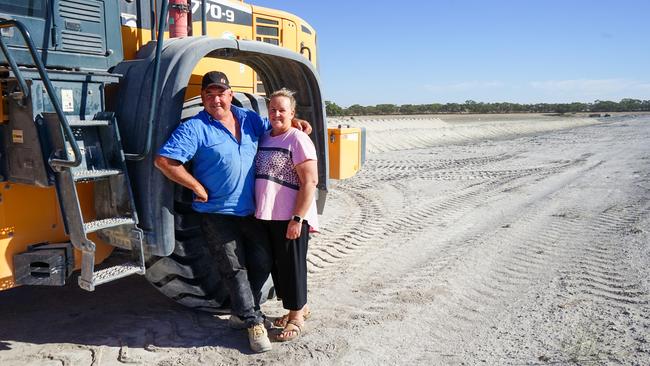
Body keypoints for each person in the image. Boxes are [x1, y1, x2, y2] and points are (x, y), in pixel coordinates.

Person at [154, 72, 309, 353]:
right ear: (202, 98)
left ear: (230, 94)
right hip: (216, 212)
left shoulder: (248, 118)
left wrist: (292, 121)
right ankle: (253, 322)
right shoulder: (195, 127)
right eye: (209, 95)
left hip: (250, 209)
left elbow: (272, 126)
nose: (216, 99)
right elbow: (164, 160)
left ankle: (241, 312)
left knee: (262, 261)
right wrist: (196, 186)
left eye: (221, 93)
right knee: (234, 267)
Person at [254, 88, 319, 342]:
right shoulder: (265, 136)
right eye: (273, 109)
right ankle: (298, 306)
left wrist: (298, 218)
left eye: (282, 110)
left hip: (290, 216)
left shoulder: (298, 139)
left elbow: (310, 182)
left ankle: (296, 317)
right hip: (268, 215)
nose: (276, 114)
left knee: (292, 266)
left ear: (292, 113)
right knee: (279, 266)